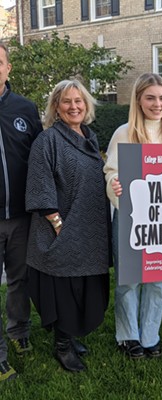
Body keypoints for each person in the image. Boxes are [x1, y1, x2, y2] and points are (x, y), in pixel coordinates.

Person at [25, 80, 111, 373]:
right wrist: (59, 226)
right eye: (66, 102)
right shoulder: (47, 140)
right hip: (61, 229)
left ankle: (72, 337)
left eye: (79, 101)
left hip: (91, 230)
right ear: (56, 108)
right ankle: (63, 345)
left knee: (84, 287)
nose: (74, 106)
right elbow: (40, 186)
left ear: (86, 105)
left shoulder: (90, 137)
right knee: (64, 289)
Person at [104, 73, 162, 359]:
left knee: (159, 279)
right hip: (129, 218)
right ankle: (128, 336)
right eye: (150, 97)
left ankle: (150, 335)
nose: (157, 104)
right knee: (129, 280)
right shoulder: (123, 133)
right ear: (139, 100)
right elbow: (111, 171)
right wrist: (114, 185)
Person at [0, 42, 43, 382]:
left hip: (20, 215)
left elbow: (40, 160)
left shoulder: (25, 109)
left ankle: (18, 332)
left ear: (8, 67)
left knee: (19, 280)